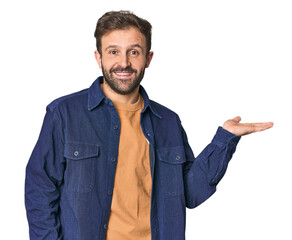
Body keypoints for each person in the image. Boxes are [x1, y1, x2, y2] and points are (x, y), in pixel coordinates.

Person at [25, 10, 273, 240]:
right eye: (113, 52)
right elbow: (39, 189)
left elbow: (190, 193)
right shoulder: (65, 113)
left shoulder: (168, 122)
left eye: (134, 51)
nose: (124, 63)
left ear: (148, 58)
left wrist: (224, 140)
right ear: (98, 57)